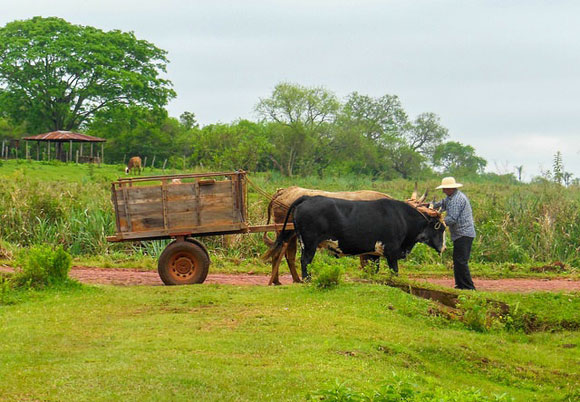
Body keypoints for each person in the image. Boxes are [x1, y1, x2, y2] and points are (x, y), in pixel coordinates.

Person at [434, 177, 476, 290]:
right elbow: (441, 204)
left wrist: (438, 223)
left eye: (445, 189)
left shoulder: (457, 200)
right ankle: (460, 285)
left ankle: (468, 287)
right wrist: (429, 206)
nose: (443, 191)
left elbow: (452, 218)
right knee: (458, 261)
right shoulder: (450, 198)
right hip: (460, 234)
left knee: (461, 261)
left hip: (464, 234)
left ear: (451, 188)